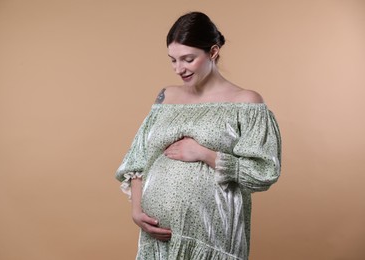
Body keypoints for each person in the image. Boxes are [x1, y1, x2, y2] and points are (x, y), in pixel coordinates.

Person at [115, 11, 281, 260]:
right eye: (173, 60)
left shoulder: (245, 102)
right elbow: (138, 157)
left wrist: (205, 154)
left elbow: (263, 172)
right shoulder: (166, 97)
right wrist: (137, 210)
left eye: (188, 59)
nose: (178, 69)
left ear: (212, 52)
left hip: (212, 238)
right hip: (157, 241)